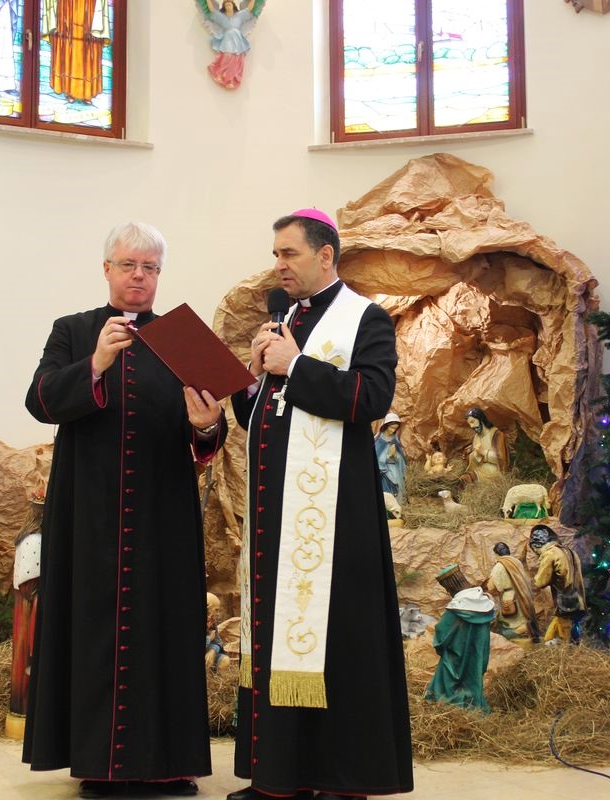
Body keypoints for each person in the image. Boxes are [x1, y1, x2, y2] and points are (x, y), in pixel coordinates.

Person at [22, 222, 226, 799]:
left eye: (150, 268)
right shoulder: (72, 331)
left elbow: (211, 435)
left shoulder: (183, 337)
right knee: (94, 632)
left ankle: (171, 765)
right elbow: (39, 400)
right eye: (129, 265)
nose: (140, 276)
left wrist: (206, 424)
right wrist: (95, 364)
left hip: (164, 513)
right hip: (89, 514)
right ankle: (100, 766)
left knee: (167, 631)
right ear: (107, 269)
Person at [229, 209, 413, 800]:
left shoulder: (365, 317)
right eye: (276, 254)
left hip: (335, 516)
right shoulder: (283, 318)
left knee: (339, 642)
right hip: (274, 513)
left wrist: (295, 366)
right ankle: (277, 778)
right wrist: (252, 381)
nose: (279, 265)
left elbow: (372, 397)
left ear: (326, 254)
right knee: (273, 636)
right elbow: (263, 413)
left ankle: (340, 778)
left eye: (289, 253)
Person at [529, 524, 587, 644]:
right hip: (578, 598)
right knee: (562, 630)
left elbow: (540, 581)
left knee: (565, 635)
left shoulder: (550, 554)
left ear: (536, 545)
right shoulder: (569, 551)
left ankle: (565, 649)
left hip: (565, 602)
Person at [198, 0, 263, 89]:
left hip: (237, 40)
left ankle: (233, 79)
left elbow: (249, 9)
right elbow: (212, 10)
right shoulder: (221, 17)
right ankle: (223, 76)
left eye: (230, 4)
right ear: (224, 7)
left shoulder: (240, 16)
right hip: (227, 40)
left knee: (237, 57)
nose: (228, 5)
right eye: (226, 4)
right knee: (227, 56)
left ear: (233, 6)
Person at [483, 542, 540, 643]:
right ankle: (527, 629)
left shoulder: (499, 566)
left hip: (509, 597)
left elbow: (492, 587)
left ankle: (523, 630)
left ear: (496, 554)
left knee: (506, 625)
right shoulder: (516, 561)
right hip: (522, 593)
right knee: (523, 616)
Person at [463, 407, 509, 482]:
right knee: (463, 478)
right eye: (469, 424)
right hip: (480, 468)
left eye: (473, 422)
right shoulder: (476, 436)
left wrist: (483, 452)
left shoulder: (496, 434)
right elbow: (475, 457)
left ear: (480, 419)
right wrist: (469, 454)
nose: (471, 426)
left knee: (466, 478)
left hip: (494, 471)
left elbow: (501, 459)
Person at [374, 412, 407, 503]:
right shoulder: (379, 441)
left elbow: (401, 458)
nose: (393, 430)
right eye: (391, 427)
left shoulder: (395, 439)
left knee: (398, 485)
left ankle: (398, 504)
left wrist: (395, 456)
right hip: (384, 472)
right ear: (386, 426)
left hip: (395, 469)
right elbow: (375, 459)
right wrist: (388, 456)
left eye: (395, 428)